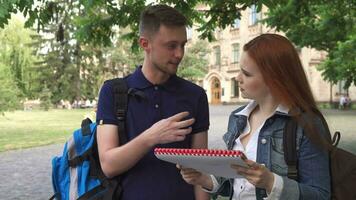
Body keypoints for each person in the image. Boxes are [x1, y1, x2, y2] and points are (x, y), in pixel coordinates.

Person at [179, 34, 331, 200]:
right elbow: (237, 184)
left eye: (246, 74)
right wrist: (204, 179)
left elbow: (320, 195)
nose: (238, 78)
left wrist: (271, 182)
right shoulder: (238, 118)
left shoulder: (306, 124)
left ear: (274, 79)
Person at [96, 4, 210, 200]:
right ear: (144, 44)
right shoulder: (113, 92)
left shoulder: (195, 95)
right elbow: (109, 165)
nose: (179, 54)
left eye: (183, 45)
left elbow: (199, 168)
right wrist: (152, 136)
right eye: (171, 46)